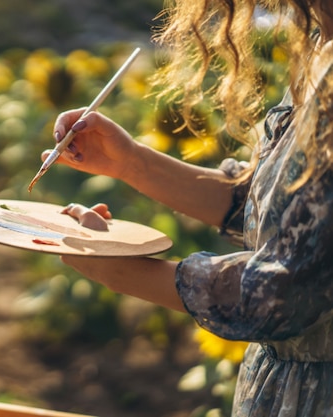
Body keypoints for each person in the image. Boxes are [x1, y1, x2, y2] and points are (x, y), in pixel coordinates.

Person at [41, 1, 333, 416]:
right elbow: (277, 207)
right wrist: (131, 162)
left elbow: (286, 291)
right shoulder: (322, 44)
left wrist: (119, 271)